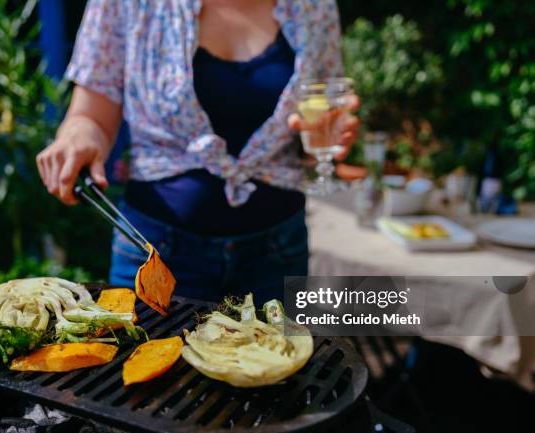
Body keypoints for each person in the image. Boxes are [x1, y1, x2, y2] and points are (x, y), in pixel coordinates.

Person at [36, 0, 359, 302]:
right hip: (155, 253)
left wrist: (326, 141)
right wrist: (77, 137)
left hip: (278, 253)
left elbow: (319, 119)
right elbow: (90, 116)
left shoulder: (313, 7)